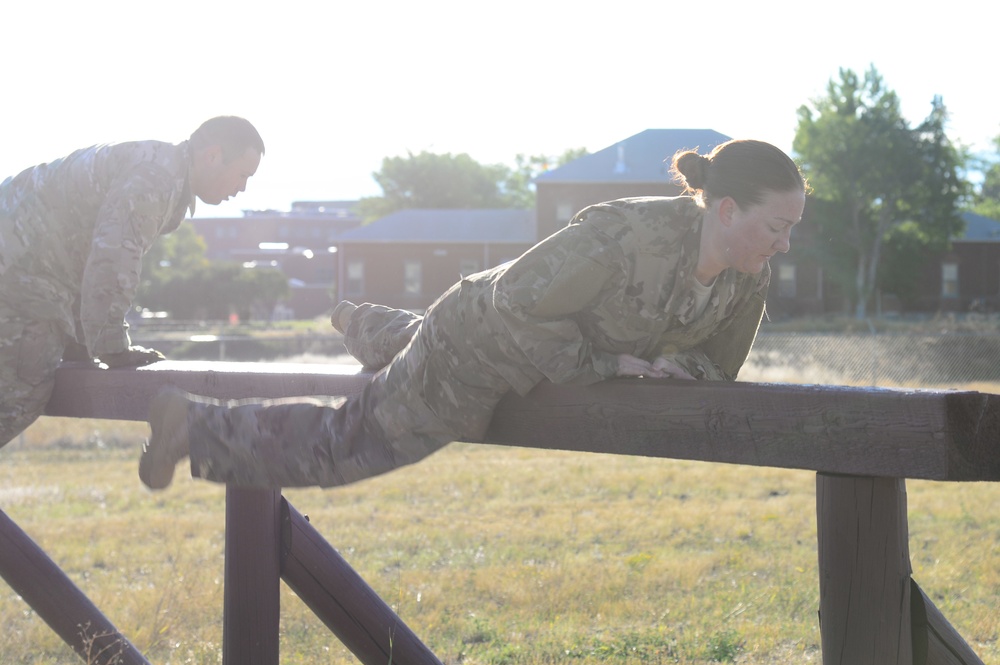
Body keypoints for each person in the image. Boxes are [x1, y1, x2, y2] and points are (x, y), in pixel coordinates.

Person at [139, 139, 807, 490]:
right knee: (348, 447)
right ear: (727, 211)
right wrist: (603, 365)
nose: (785, 244)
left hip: (505, 344)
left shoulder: (746, 279)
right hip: (480, 343)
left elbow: (716, 367)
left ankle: (369, 323)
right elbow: (513, 299)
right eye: (777, 226)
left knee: (417, 342)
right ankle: (190, 425)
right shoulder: (623, 235)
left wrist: (670, 370)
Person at [0, 116, 265, 447]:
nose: (241, 188)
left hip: (25, 255)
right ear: (212, 155)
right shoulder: (156, 179)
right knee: (23, 387)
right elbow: (112, 259)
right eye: (242, 175)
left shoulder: (162, 168)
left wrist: (83, 342)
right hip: (20, 259)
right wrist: (112, 347)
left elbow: (84, 253)